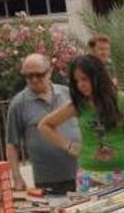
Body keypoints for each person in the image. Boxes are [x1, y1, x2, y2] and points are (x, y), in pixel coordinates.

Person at [39, 55, 124, 192]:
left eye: (85, 79)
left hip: (123, 175)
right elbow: (44, 125)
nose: (80, 85)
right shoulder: (78, 105)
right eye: (76, 81)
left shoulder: (123, 101)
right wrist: (68, 146)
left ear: (97, 76)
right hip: (88, 177)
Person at [6, 54, 80, 194]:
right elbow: (12, 145)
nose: (34, 80)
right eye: (29, 76)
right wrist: (17, 177)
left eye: (39, 75)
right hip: (48, 179)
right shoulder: (18, 104)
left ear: (50, 71)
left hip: (81, 172)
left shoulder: (68, 93)